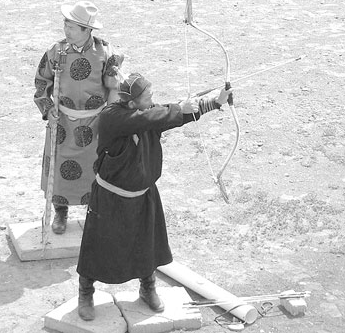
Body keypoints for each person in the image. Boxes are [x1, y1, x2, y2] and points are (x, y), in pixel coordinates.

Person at [76, 72, 232, 320]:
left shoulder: (147, 114)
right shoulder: (112, 117)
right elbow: (152, 116)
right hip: (110, 197)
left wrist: (216, 102)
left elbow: (173, 115)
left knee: (146, 245)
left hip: (144, 195)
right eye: (147, 97)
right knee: (98, 247)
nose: (152, 101)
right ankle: (85, 293)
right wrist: (177, 108)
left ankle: (148, 289)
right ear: (130, 103)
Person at [34, 0, 123, 234]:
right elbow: (42, 81)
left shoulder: (106, 53)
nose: (66, 29)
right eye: (65, 24)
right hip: (62, 122)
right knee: (59, 170)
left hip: (96, 124)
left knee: (96, 171)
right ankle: (60, 212)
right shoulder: (56, 51)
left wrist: (111, 120)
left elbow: (114, 89)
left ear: (87, 30)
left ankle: (95, 215)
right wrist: (47, 107)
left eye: (71, 26)